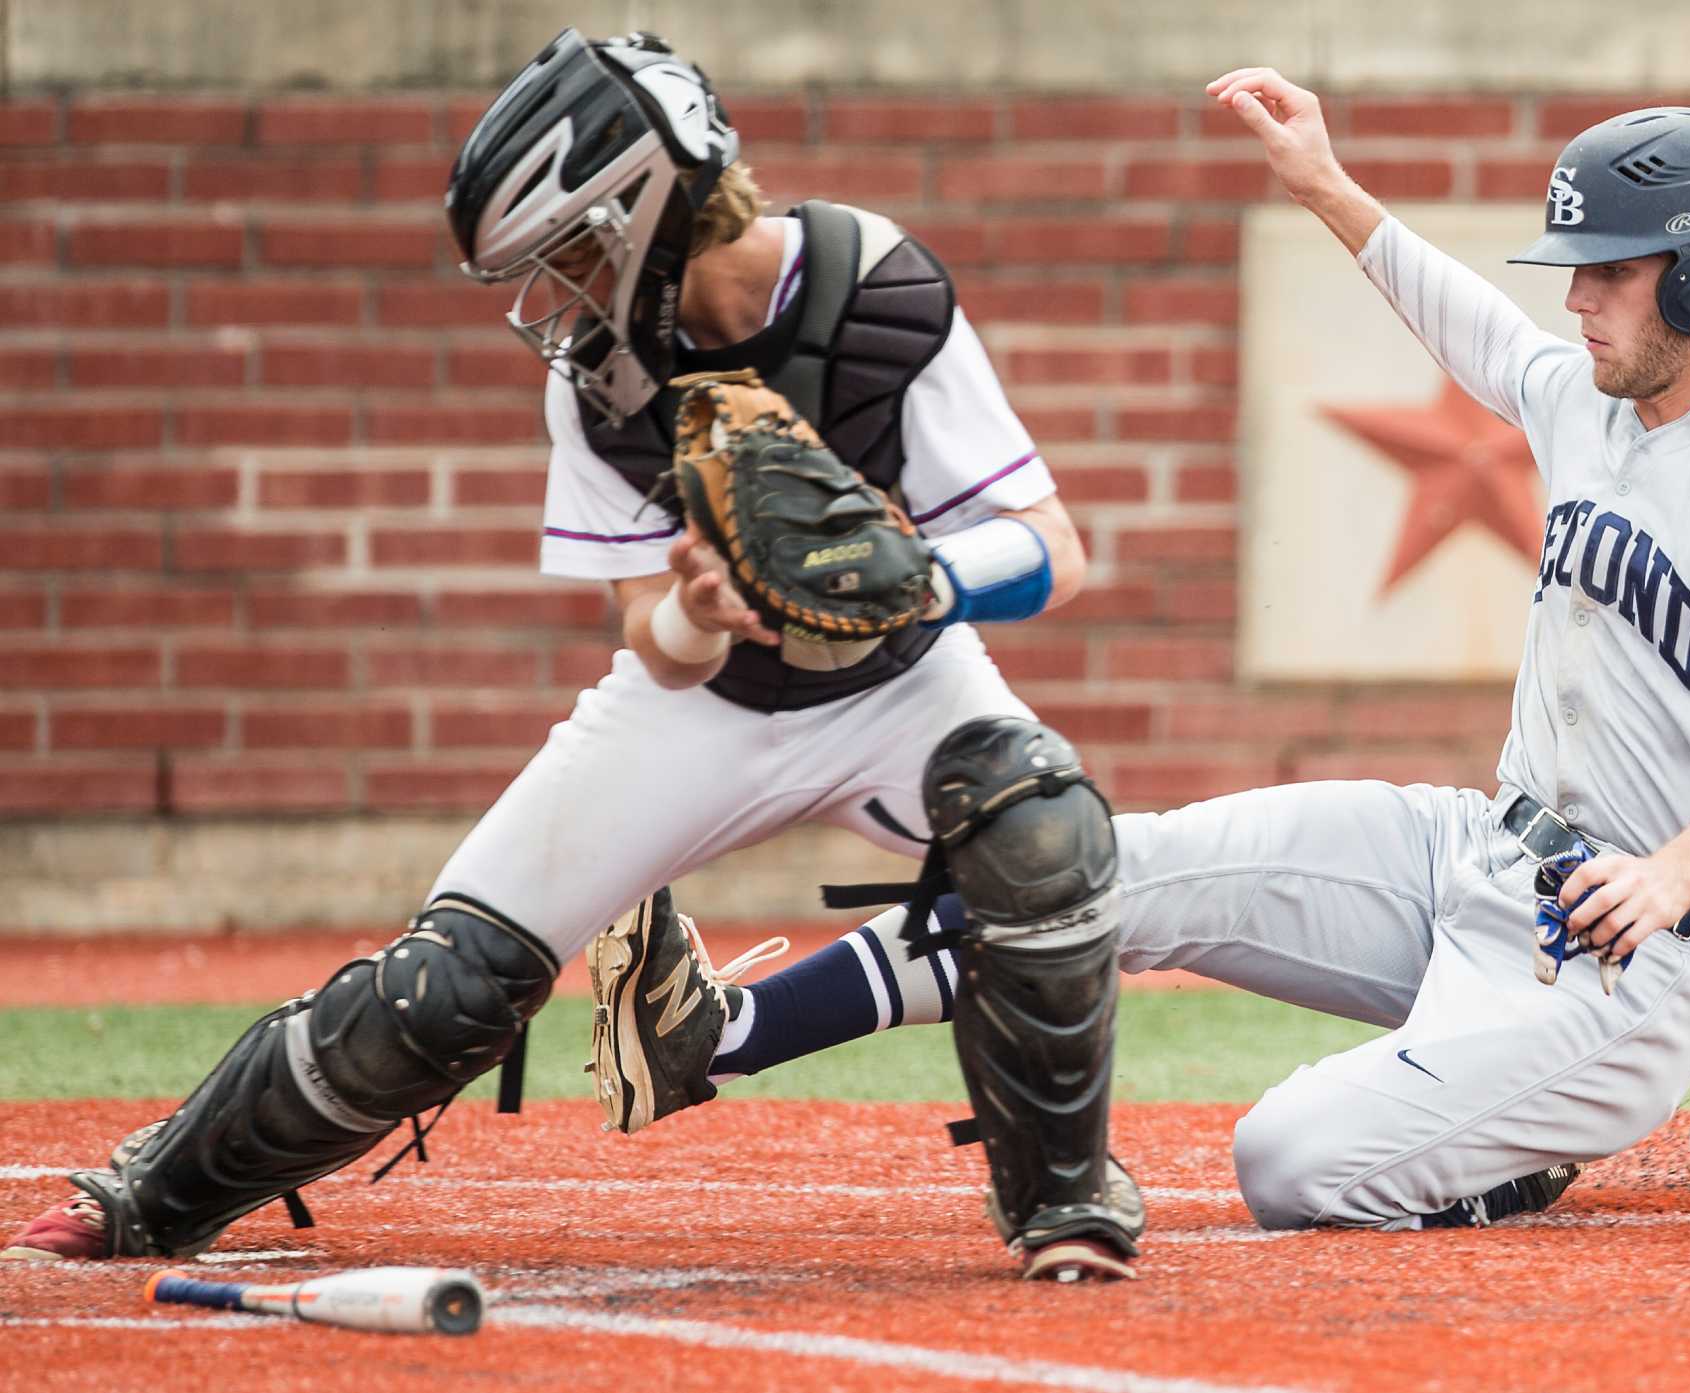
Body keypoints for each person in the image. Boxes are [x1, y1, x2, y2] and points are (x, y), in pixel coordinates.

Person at [589, 68, 1690, 1232]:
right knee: (1091, 864)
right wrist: (1324, 182)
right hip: (1473, 853)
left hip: (1632, 951)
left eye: (1616, 270)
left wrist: (1677, 871)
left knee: (1288, 1159)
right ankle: (725, 1034)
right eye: (1578, 268)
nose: (1580, 297)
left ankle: (1517, 1141)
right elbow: (1474, 324)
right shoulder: (1596, 402)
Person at [3, 27, 1141, 1280]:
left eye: (572, 248)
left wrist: (924, 579)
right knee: (446, 989)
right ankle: (158, 1190)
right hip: (705, 713)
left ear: (646, 212)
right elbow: (651, 647)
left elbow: (1050, 550)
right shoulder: (601, 378)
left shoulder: (871, 286)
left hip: (904, 679)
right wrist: (703, 608)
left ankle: (1063, 1199)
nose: (558, 285)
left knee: (1038, 821)